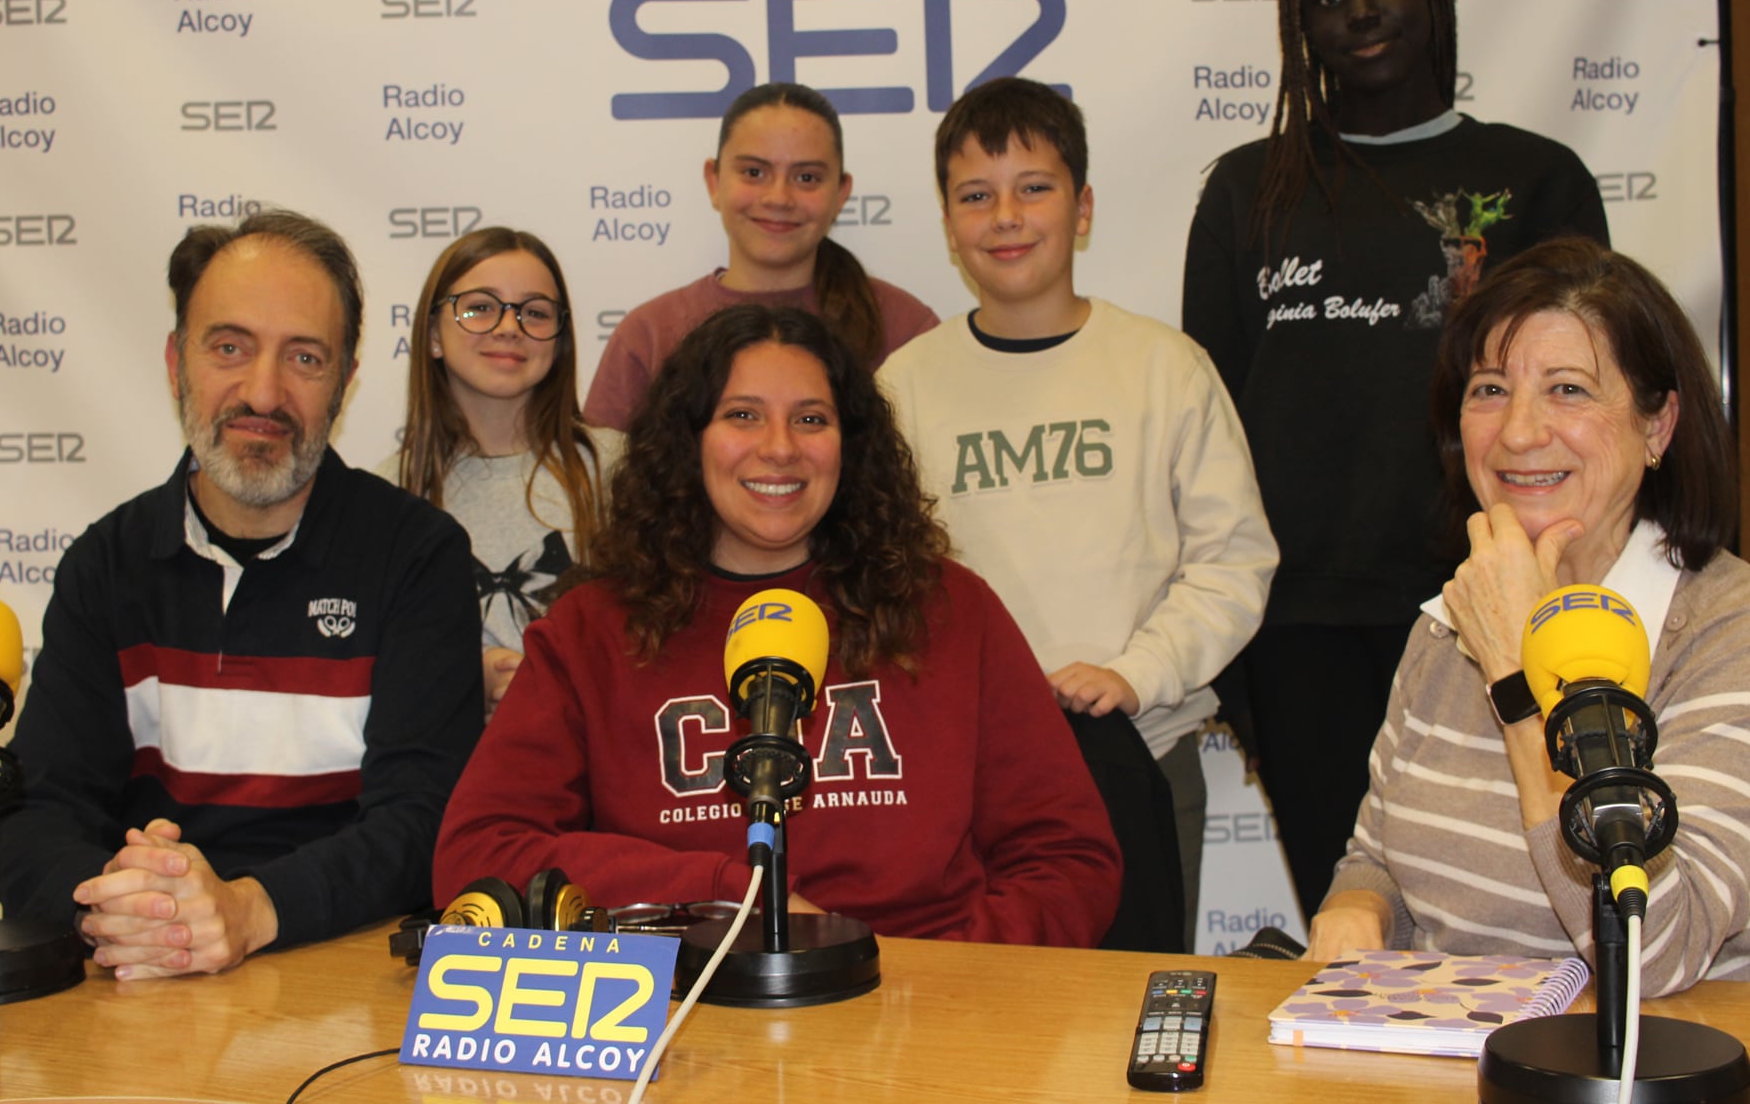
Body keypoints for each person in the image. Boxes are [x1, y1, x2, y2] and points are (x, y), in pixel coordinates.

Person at [434, 304, 1122, 945]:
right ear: (689, 440)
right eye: (743, 415)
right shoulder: (592, 631)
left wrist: (944, 979)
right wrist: (731, 896)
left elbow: (1068, 858)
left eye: (812, 419)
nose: (780, 447)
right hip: (692, 1000)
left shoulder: (950, 609)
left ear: (850, 445)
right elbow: (477, 855)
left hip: (926, 994)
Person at [1181, 0, 1609, 919]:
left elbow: (1594, 401)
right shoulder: (1249, 189)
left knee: (1521, 897)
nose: (1360, 10)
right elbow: (1211, 425)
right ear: (1299, 27)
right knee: (1353, 914)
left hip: (1493, 603)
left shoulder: (1536, 179)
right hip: (1302, 624)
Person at [0, 210, 484, 980]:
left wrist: (248, 908)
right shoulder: (106, 564)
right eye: (229, 347)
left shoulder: (418, 556)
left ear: (346, 382)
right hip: (142, 973)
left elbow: (426, 819)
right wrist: (122, 905)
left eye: (305, 358)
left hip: (345, 979)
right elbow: (37, 814)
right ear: (176, 362)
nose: (263, 392)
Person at [879, 76, 1277, 950]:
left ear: (1083, 207)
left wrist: (1138, 671)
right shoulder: (903, 386)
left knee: (1135, 1003)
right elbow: (878, 580)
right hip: (961, 776)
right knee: (971, 1009)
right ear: (947, 222)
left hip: (1143, 747)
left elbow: (1234, 560)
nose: (1006, 217)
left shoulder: (1165, 367)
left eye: (1035, 188)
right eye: (976, 196)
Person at [1309, 238, 1749, 995]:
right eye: (1489, 389)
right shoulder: (1449, 620)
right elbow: (1376, 856)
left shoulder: (1723, 629)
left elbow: (1654, 952)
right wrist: (1358, 905)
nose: (1517, 432)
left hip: (1645, 1050)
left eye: (1568, 389)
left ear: (1658, 425)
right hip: (1453, 1044)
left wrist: (1520, 670)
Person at [583, 82, 938, 430]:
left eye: (807, 177)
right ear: (714, 181)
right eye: (754, 172)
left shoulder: (904, 328)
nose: (778, 197)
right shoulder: (647, 336)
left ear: (841, 193)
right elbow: (603, 467)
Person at [381, 227, 620, 718]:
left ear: (560, 341)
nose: (510, 327)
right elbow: (375, 663)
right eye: (480, 308)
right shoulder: (386, 496)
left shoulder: (618, 468)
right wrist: (466, 677)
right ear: (433, 335)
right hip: (453, 761)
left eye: (535, 312)